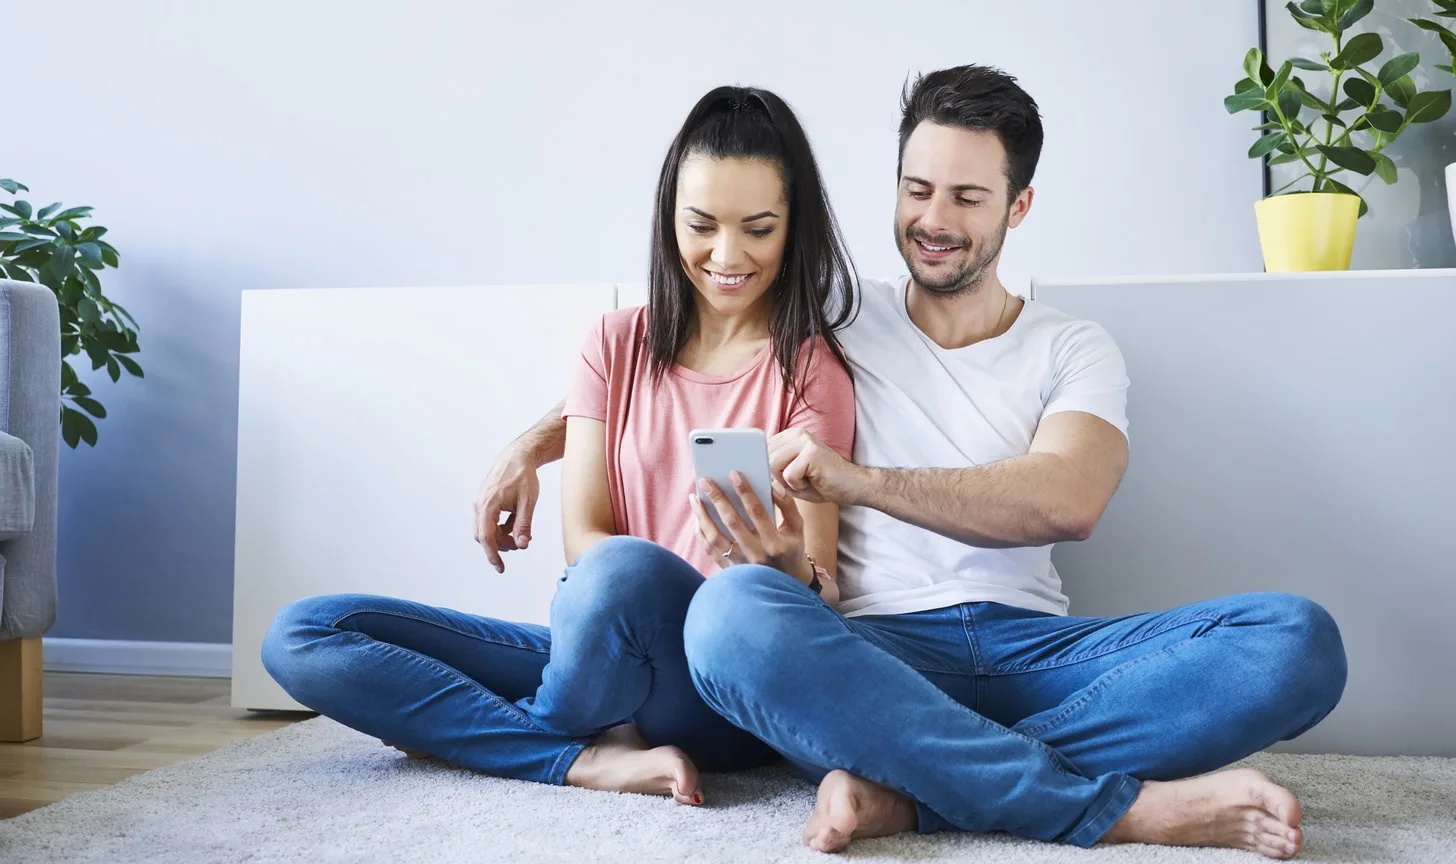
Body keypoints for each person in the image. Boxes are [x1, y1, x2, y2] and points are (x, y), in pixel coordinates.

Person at [477, 65, 1348, 860]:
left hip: (1036, 650)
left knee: (1295, 643)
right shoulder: (836, 313)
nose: (935, 220)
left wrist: (858, 481)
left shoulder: (1074, 347)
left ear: (1019, 205)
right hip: (865, 653)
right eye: (917, 189)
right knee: (732, 614)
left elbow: (1069, 499)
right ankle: (1112, 809)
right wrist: (531, 444)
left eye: (968, 196)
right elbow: (677, 358)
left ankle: (913, 794)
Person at [262, 84, 859, 805]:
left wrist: (785, 567)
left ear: (794, 228)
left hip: (716, 689)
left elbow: (820, 585)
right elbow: (585, 542)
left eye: (758, 229)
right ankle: (581, 756)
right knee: (306, 633)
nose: (726, 254)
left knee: (626, 569)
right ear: (669, 217)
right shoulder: (613, 343)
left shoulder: (813, 371)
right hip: (599, 650)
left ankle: (528, 731)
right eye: (701, 225)